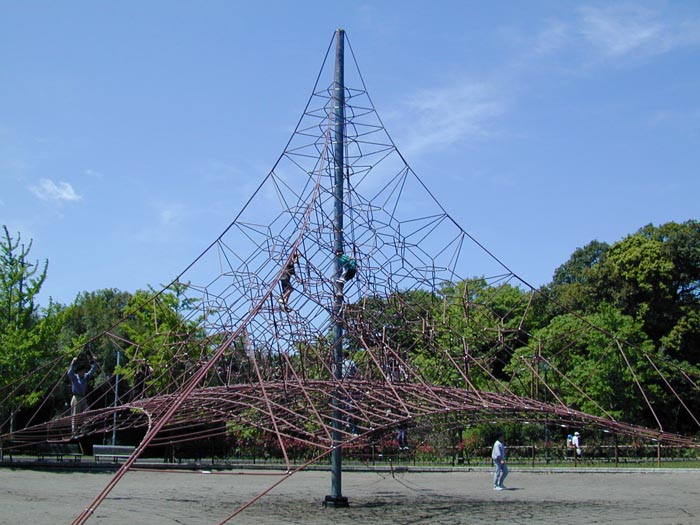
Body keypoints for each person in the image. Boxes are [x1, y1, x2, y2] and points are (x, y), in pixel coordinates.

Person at [67, 355, 98, 435]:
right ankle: (74, 431)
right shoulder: (74, 377)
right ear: (79, 372)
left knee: (87, 413)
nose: (84, 372)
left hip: (83, 398)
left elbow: (93, 370)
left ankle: (83, 429)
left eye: (84, 371)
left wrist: (95, 362)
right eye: (82, 371)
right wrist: (72, 363)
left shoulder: (85, 377)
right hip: (76, 397)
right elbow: (69, 372)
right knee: (76, 415)